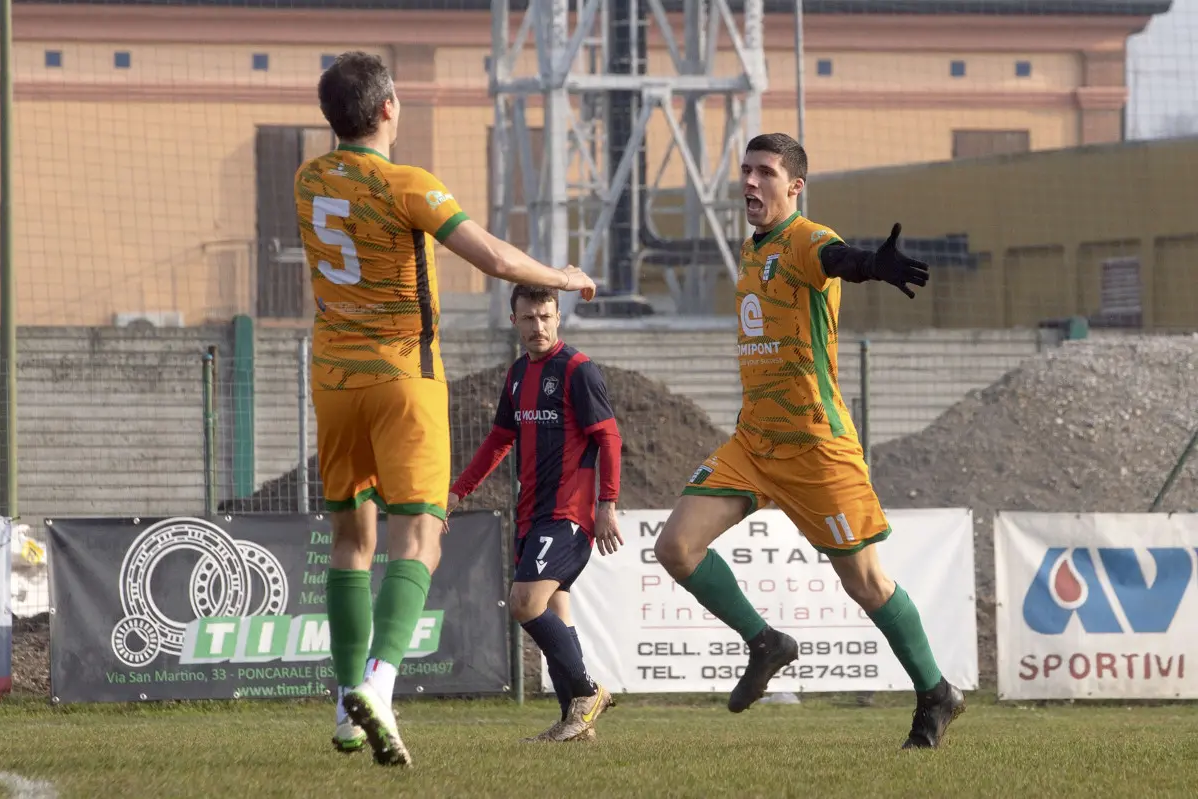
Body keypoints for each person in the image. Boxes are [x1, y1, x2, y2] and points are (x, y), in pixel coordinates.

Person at [293, 52, 596, 767]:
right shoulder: (409, 185)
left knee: (349, 542)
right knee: (420, 538)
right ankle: (380, 686)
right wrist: (562, 277)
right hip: (403, 377)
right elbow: (490, 256)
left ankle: (344, 705)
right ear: (390, 107)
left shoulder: (307, 181)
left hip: (332, 378)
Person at [652, 132, 965, 750]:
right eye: (745, 171)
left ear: (794, 187)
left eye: (765, 173)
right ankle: (766, 642)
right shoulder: (752, 249)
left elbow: (836, 258)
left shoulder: (803, 238)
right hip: (754, 443)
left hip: (818, 447)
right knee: (676, 549)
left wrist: (873, 263)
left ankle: (936, 693)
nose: (750, 182)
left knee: (867, 584)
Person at [447, 284, 623, 743]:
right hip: (532, 515)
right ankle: (574, 723)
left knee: (525, 603)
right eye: (528, 318)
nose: (537, 326)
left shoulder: (578, 370)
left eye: (545, 316)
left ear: (558, 317)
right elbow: (499, 440)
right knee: (556, 617)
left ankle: (588, 694)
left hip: (569, 514)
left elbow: (609, 438)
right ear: (515, 322)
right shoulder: (517, 375)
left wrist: (608, 504)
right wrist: (458, 491)